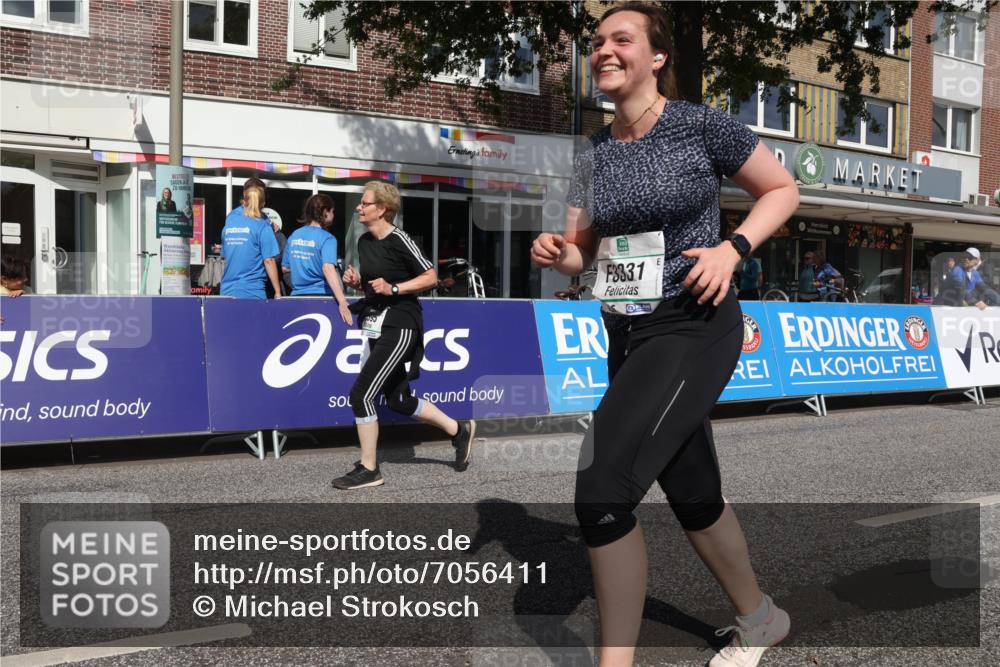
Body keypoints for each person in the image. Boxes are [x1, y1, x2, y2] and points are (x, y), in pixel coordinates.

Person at [530, 4, 799, 666]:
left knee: (600, 491)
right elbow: (583, 253)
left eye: (622, 39)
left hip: (695, 321)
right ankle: (760, 617)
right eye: (596, 41)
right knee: (693, 489)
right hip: (629, 331)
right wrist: (556, 252)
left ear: (656, 58)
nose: (604, 50)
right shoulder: (589, 154)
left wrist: (732, 248)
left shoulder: (699, 126)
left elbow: (782, 189)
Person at [335, 181, 476, 490]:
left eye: (364, 203)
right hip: (377, 322)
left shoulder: (400, 239)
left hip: (401, 325)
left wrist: (395, 288)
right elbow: (377, 285)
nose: (359, 207)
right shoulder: (364, 243)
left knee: (362, 394)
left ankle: (370, 469)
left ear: (382, 209)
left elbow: (430, 276)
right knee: (398, 399)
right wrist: (359, 283)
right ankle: (459, 430)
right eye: (360, 203)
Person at [283, 194, 352, 323]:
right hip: (321, 299)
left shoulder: (294, 235)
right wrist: (342, 301)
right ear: (325, 212)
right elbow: (328, 268)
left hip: (297, 298)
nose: (334, 215)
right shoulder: (327, 238)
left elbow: (285, 267)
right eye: (332, 211)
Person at [220, 178, 283, 299]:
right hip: (252, 290)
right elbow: (269, 260)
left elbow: (226, 255)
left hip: (227, 288)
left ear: (245, 196)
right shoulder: (262, 225)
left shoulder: (231, 220)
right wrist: (278, 291)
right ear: (263, 202)